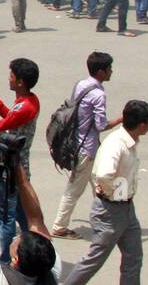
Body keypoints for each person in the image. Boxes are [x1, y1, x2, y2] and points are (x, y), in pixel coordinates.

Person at [61, 99, 148, 285]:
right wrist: (117, 194)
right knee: (93, 260)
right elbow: (104, 175)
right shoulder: (117, 144)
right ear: (141, 125)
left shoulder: (129, 140)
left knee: (134, 256)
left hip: (126, 209)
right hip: (111, 211)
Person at [0, 57, 42, 261]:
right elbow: (9, 116)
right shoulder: (28, 101)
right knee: (24, 214)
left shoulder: (25, 107)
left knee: (6, 218)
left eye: (11, 76)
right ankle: (34, 248)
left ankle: (5, 260)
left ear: (20, 81)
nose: (9, 79)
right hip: (19, 166)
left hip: (11, 168)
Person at [51, 52, 121, 238]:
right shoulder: (98, 94)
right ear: (101, 72)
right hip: (87, 149)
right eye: (109, 69)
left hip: (77, 143)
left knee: (98, 182)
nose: (111, 72)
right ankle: (59, 226)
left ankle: (106, 218)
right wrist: (121, 119)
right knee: (74, 189)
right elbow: (101, 125)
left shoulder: (81, 85)